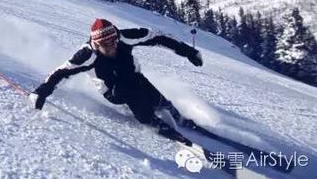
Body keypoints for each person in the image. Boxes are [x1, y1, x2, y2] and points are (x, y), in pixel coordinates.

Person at [29, 18, 203, 133]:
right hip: (113, 90)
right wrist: (41, 91)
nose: (112, 47)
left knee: (144, 87)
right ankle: (150, 120)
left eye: (114, 41)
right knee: (131, 92)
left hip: (133, 77)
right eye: (106, 44)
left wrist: (189, 52)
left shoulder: (124, 37)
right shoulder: (87, 55)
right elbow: (61, 72)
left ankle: (170, 110)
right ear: (96, 44)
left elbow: (159, 37)